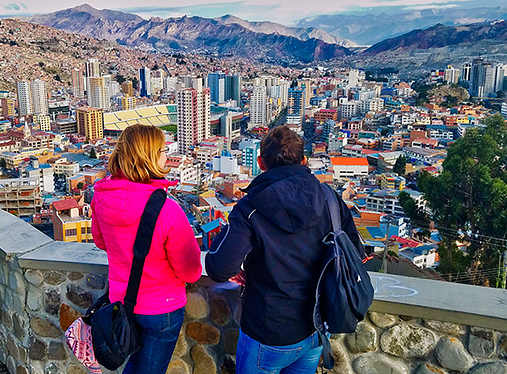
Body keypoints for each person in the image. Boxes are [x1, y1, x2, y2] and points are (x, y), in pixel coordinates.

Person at [205, 126, 364, 374]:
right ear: (303, 160)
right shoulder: (329, 198)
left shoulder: (251, 208)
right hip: (315, 326)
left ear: (261, 163)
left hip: (267, 329)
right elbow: (353, 252)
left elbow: (219, 267)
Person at [91, 124, 202, 374]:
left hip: (121, 300)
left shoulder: (101, 197)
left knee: (134, 364)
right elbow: (190, 271)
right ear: (149, 157)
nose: (166, 156)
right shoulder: (167, 209)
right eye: (162, 151)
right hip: (161, 306)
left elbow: (100, 242)